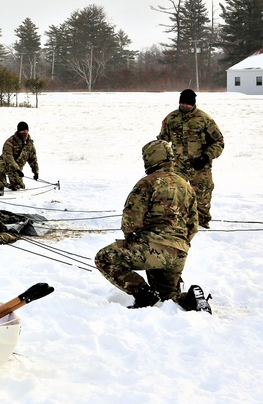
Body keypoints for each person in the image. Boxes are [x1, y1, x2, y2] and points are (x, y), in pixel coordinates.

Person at [94, 140, 202, 310]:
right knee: (167, 297)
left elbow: (131, 219)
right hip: (179, 252)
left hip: (152, 248)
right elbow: (193, 225)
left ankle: (143, 295)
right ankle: (192, 299)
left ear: (151, 158)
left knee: (104, 258)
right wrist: (179, 244)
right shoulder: (185, 186)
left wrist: (132, 239)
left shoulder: (148, 182)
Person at [157, 88, 224, 228]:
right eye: (182, 103)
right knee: (173, 192)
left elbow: (219, 142)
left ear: (193, 104)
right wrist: (160, 160)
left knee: (202, 194)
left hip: (199, 164)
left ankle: (201, 223)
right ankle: (174, 222)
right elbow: (162, 141)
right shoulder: (171, 118)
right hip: (178, 164)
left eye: (188, 104)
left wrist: (206, 157)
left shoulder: (204, 119)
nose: (185, 106)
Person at [0, 121, 39, 197]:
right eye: (23, 131)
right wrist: (17, 169)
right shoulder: (10, 141)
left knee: (18, 187)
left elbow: (33, 159)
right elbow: (8, 157)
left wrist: (35, 172)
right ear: (19, 131)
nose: (25, 133)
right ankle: (0, 187)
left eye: (26, 130)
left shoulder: (30, 145)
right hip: (7, 164)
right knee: (2, 164)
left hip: (17, 170)